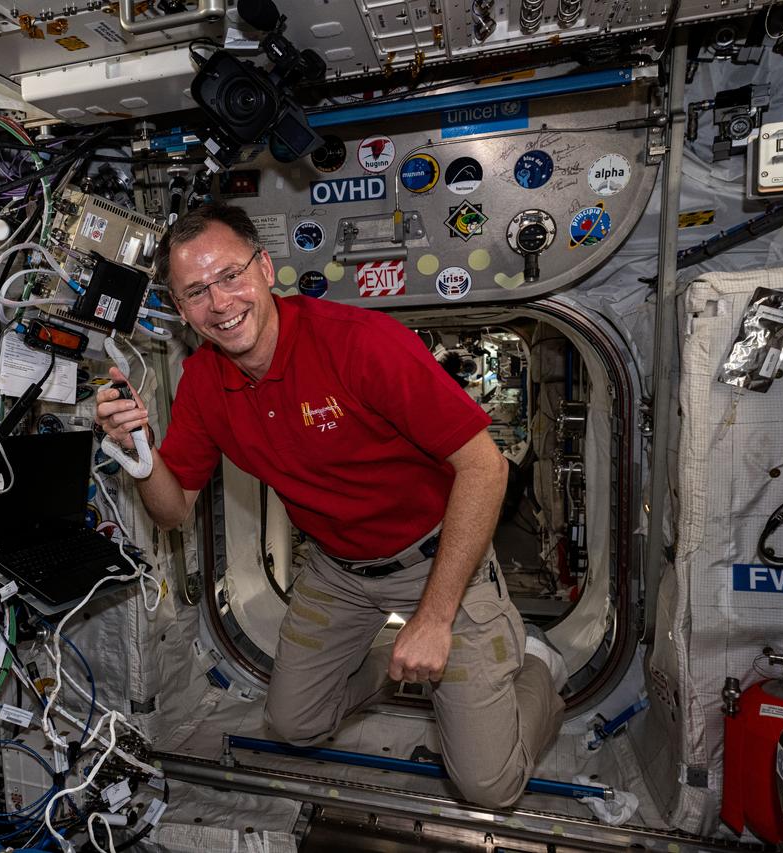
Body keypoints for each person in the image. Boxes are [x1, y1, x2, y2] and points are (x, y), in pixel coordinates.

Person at [94, 203, 566, 808]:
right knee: (295, 725)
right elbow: (171, 510)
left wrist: (433, 619)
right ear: (180, 310)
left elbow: (485, 467)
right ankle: (395, 664)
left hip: (438, 557)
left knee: (488, 786)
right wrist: (139, 455)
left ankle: (538, 665)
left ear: (264, 267)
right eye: (195, 292)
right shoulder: (203, 383)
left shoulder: (360, 344)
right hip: (337, 569)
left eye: (230, 276)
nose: (219, 303)